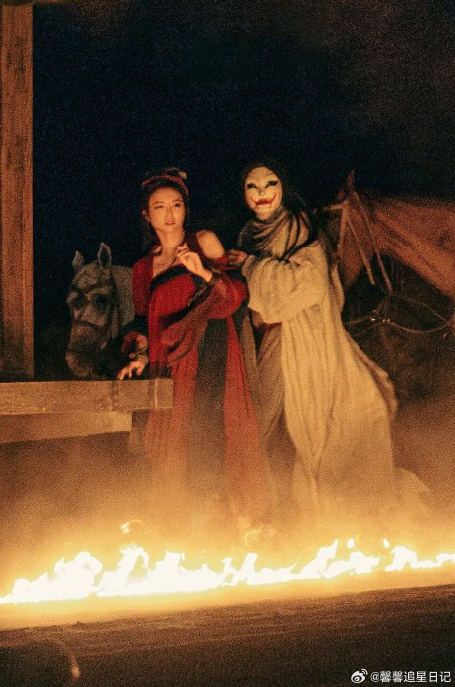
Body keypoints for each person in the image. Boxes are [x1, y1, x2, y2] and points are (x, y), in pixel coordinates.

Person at [228, 159, 427, 540]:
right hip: (270, 342)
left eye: (270, 183)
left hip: (309, 341)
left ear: (283, 187)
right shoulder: (247, 235)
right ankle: (262, 520)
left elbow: (311, 282)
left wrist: (253, 267)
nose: (262, 193)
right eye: (252, 186)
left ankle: (347, 519)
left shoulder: (301, 228)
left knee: (356, 412)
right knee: (261, 426)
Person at [118, 168, 275, 549]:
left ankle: (234, 529)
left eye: (176, 205)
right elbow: (143, 319)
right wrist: (139, 354)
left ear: (185, 209)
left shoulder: (204, 242)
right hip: (167, 364)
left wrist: (203, 271)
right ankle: (181, 535)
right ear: (146, 215)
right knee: (172, 443)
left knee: (214, 431)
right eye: (159, 207)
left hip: (211, 354)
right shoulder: (143, 267)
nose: (169, 214)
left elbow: (236, 295)